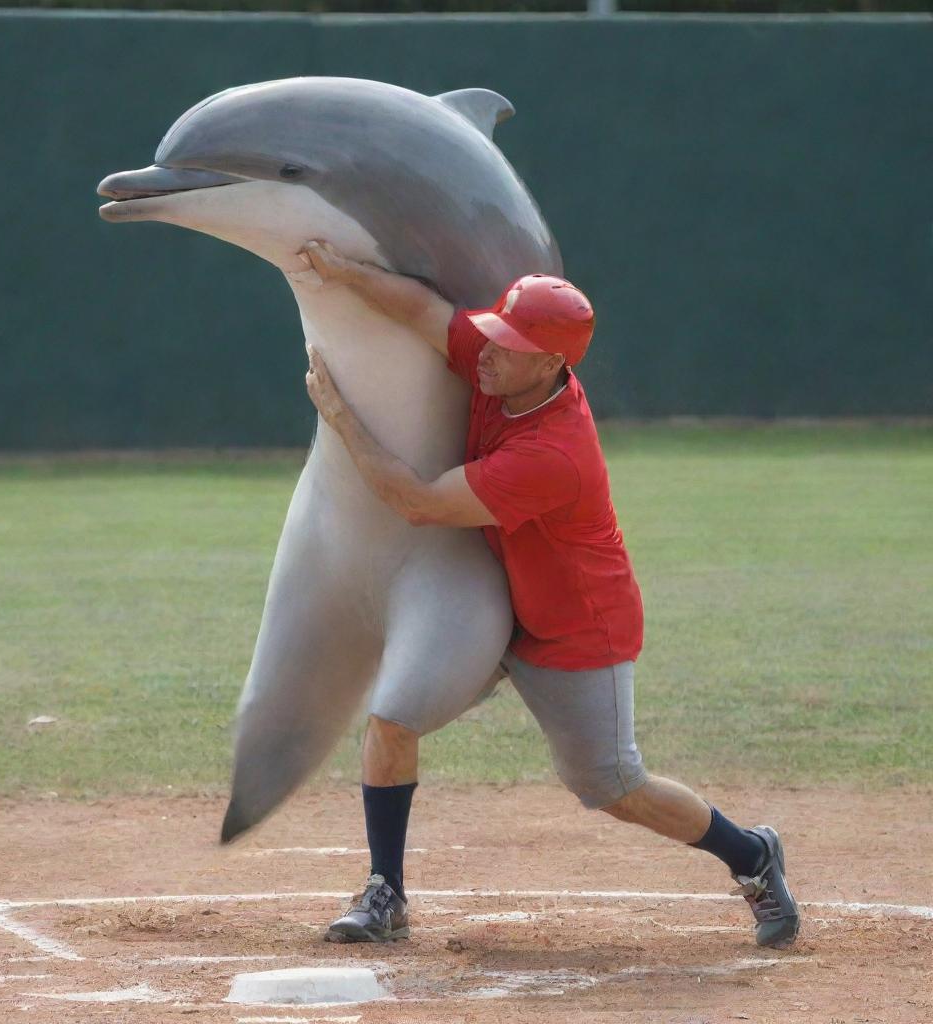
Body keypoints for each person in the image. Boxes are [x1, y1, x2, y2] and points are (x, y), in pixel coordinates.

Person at [298, 240, 800, 950]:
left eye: (511, 344)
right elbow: (427, 311)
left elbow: (415, 501)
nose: (488, 351)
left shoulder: (552, 454)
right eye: (496, 333)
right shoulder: (507, 361)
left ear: (553, 362)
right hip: (499, 598)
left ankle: (752, 856)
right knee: (394, 717)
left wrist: (339, 415)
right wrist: (342, 270)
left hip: (575, 632)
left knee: (616, 786)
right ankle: (387, 892)